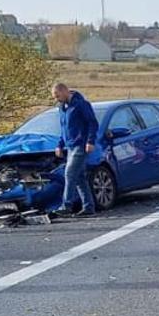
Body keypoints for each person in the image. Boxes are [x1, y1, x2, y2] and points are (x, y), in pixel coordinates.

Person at [52, 82, 99, 216]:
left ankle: (66, 206)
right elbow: (63, 129)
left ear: (65, 91)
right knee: (79, 178)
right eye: (55, 97)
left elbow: (92, 123)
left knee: (69, 173)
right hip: (70, 146)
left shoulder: (81, 104)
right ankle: (89, 207)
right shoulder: (62, 107)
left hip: (80, 144)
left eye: (57, 96)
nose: (56, 99)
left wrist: (90, 141)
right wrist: (60, 145)